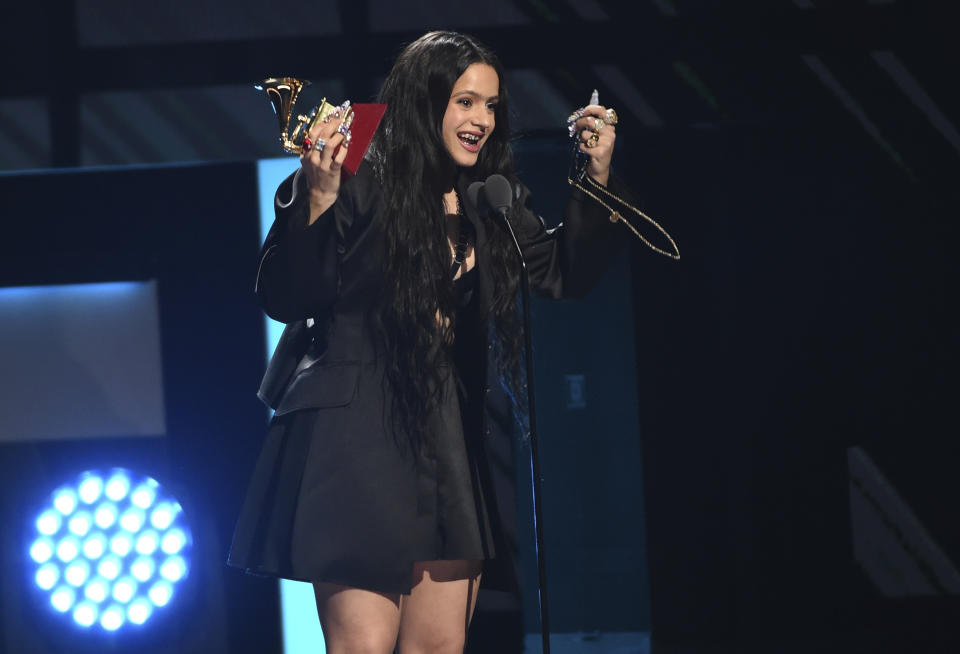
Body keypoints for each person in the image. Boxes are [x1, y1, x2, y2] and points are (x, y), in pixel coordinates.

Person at [228, 30, 627, 654]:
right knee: (364, 645)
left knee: (439, 645)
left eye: (492, 106)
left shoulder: (488, 196)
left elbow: (562, 273)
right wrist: (321, 197)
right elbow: (287, 297)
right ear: (425, 99)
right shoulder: (356, 161)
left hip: (446, 433)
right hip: (355, 431)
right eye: (466, 101)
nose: (482, 120)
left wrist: (595, 177)